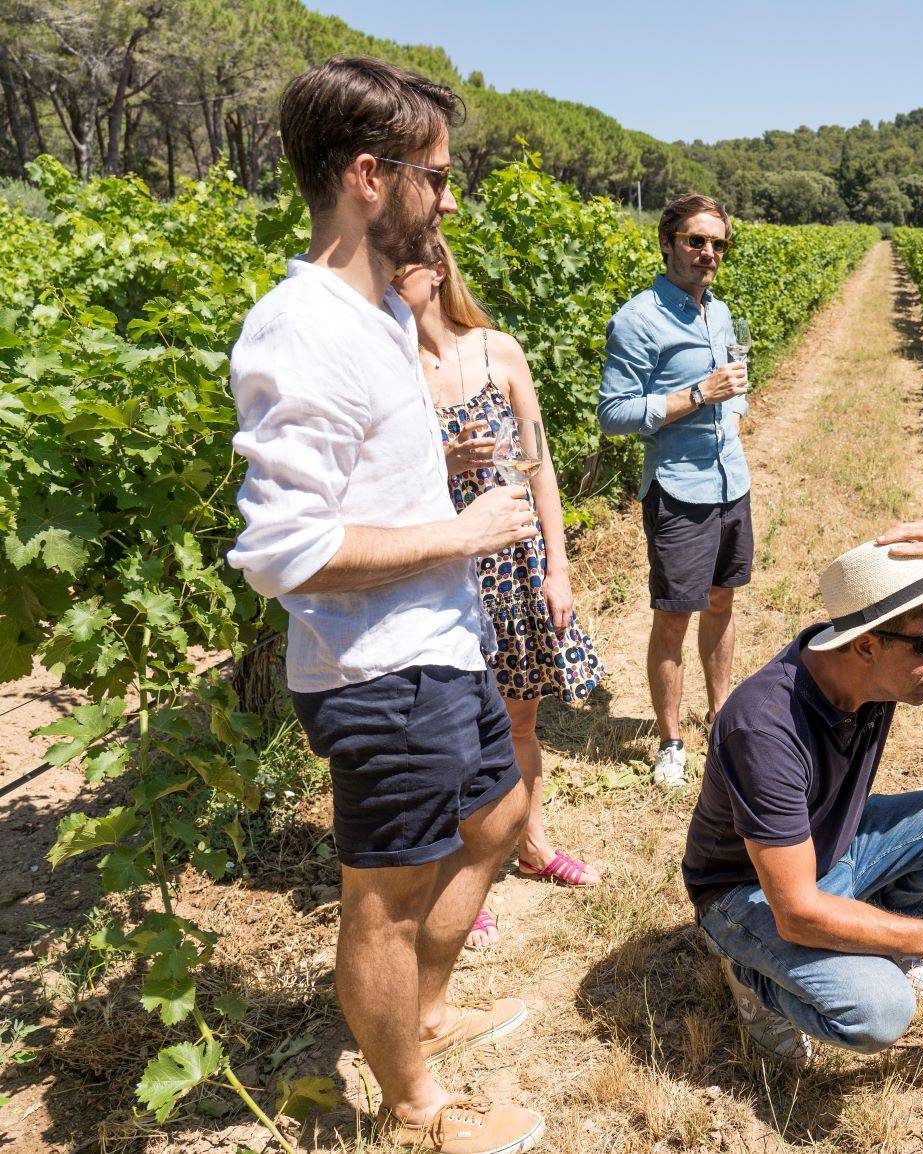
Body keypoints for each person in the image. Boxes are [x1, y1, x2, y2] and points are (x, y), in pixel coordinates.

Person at [227, 57, 543, 1153]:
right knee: (386, 900)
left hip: (439, 644)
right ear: (371, 175)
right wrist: (463, 530)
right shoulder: (300, 325)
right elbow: (285, 549)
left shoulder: (370, 318)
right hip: (382, 672)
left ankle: (418, 1011)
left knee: (500, 819)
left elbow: (354, 472)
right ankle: (416, 1110)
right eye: (438, 176)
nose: (450, 200)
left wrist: (434, 455)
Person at [682, 522, 923, 1065]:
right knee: (878, 1011)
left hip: (832, 845)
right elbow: (797, 911)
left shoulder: (880, 667)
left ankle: (871, 932)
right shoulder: (765, 728)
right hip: (747, 892)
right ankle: (748, 971)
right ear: (866, 645)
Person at [394, 235, 607, 951]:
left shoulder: (499, 351)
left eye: (415, 264)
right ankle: (464, 879)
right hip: (444, 570)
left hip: (515, 564)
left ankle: (533, 843)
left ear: (441, 267)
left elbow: (539, 465)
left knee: (519, 725)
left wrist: (558, 567)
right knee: (458, 740)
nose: (405, 280)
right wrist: (439, 458)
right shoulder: (391, 370)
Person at [598, 193, 752, 788]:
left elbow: (729, 382)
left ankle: (721, 722)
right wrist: (697, 396)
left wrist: (736, 406)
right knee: (674, 616)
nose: (708, 253)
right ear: (667, 243)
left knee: (722, 602)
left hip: (730, 481)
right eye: (696, 240)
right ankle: (670, 743)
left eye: (717, 243)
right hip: (678, 490)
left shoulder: (718, 310)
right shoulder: (637, 319)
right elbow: (612, 414)